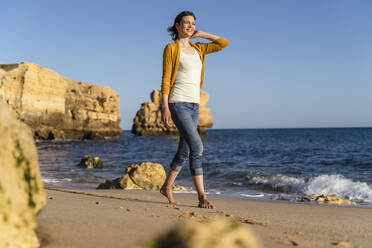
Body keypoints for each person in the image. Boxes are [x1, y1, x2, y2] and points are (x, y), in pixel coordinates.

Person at [160, 11, 228, 209]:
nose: (190, 26)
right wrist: (165, 106)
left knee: (185, 150)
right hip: (177, 103)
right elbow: (166, 79)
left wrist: (203, 34)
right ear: (177, 25)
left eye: (193, 23)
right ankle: (202, 197)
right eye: (186, 23)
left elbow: (223, 43)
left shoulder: (199, 48)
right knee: (197, 147)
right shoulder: (171, 48)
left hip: (194, 104)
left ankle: (166, 187)